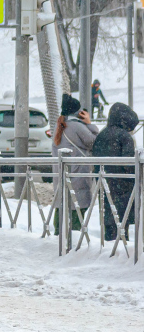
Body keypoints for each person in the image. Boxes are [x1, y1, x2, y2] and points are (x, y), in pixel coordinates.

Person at [90, 102, 139, 243]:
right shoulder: (125, 137)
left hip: (105, 183)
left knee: (110, 221)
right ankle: (122, 251)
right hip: (123, 186)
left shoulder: (102, 134)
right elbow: (129, 164)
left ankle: (110, 249)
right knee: (122, 222)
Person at [52, 93, 98, 235]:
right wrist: (89, 123)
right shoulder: (77, 126)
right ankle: (76, 238)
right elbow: (94, 142)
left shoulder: (59, 125)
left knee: (62, 204)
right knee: (77, 206)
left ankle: (58, 235)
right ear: (78, 112)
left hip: (61, 173)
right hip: (77, 173)